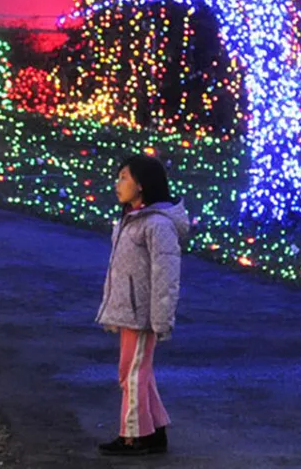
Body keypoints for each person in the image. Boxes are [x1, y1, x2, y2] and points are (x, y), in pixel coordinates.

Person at [96, 153, 188, 457]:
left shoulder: (157, 225)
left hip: (142, 314)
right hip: (128, 310)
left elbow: (166, 276)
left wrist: (161, 319)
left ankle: (133, 434)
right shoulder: (130, 220)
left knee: (132, 373)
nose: (117, 183)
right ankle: (154, 429)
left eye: (124, 177)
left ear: (142, 185)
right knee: (137, 371)